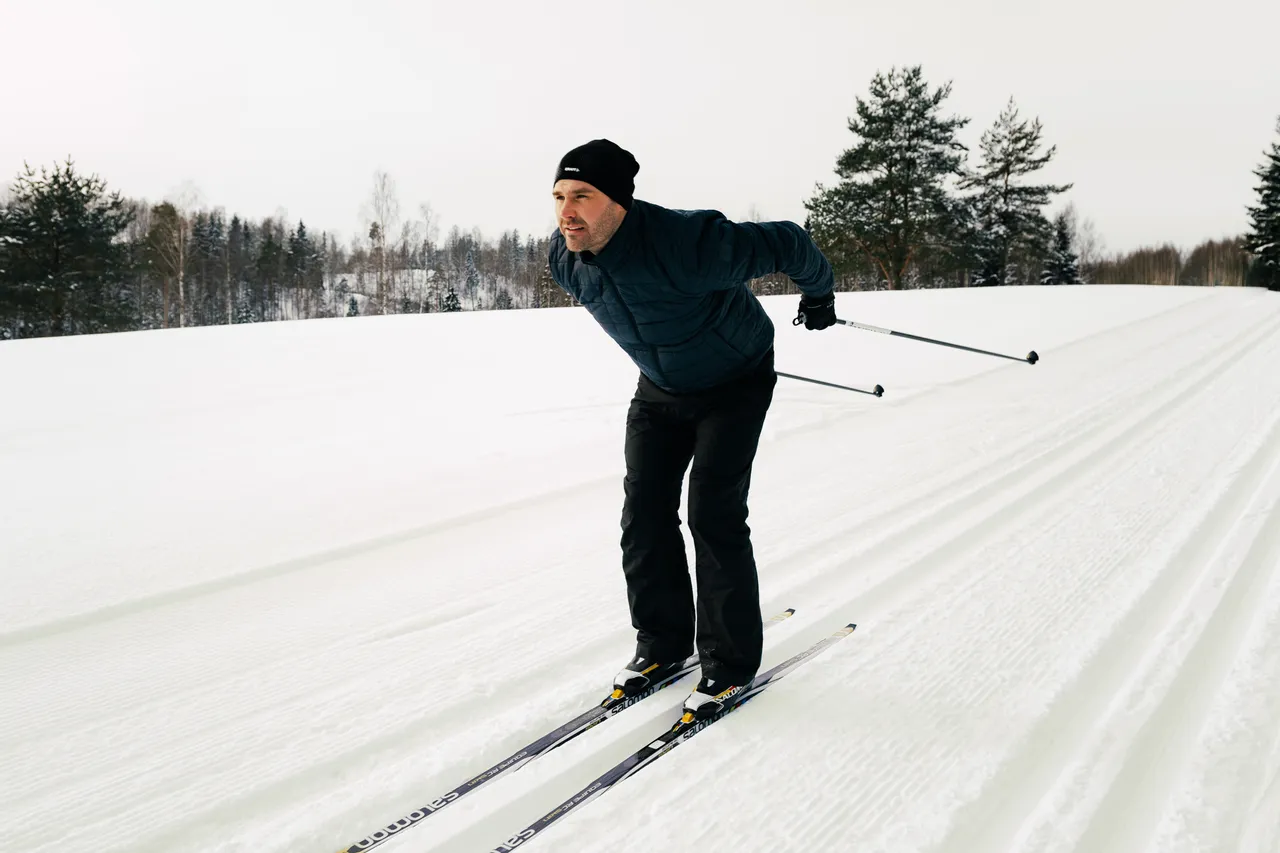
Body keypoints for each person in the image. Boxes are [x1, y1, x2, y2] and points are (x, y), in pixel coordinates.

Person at [547, 139, 837, 719]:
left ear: (619, 202)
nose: (566, 212)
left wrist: (819, 292)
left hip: (735, 380)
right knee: (644, 512)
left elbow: (789, 241)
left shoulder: (690, 244)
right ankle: (663, 644)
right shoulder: (565, 259)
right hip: (660, 389)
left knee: (713, 510)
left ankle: (729, 664)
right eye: (558, 197)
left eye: (582, 195)